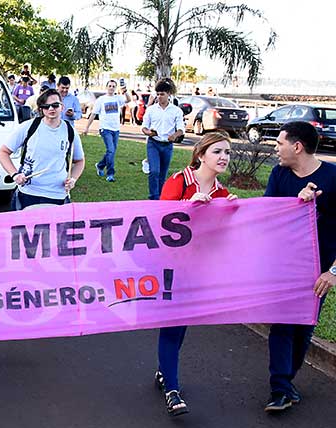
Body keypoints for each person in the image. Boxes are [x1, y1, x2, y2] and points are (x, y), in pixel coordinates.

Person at [152, 132, 238, 417]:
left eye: (227, 152)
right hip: (171, 266)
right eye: (217, 151)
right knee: (173, 323)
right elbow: (158, 220)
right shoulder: (179, 180)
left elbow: (220, 237)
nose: (224, 157)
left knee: (182, 324)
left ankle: (165, 371)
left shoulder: (223, 194)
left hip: (199, 269)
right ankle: (172, 390)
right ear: (201, 155)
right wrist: (188, 208)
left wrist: (231, 214)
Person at [262, 121, 336, 413]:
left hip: (319, 270)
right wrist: (298, 203)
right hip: (283, 265)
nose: (276, 149)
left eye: (279, 143)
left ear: (297, 146)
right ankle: (279, 388)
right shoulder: (279, 174)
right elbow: (266, 216)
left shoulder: (333, 176)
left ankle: (286, 381)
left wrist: (332, 273)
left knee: (303, 327)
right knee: (281, 324)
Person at [0, 89, 85, 210]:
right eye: (46, 106)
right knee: (23, 229)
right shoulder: (28, 127)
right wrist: (15, 174)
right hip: (28, 193)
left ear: (62, 106)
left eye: (55, 105)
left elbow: (79, 161)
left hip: (57, 195)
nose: (51, 109)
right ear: (41, 109)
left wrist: (73, 179)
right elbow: (3, 152)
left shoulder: (70, 131)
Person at [141, 80, 185, 200]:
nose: (159, 97)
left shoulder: (176, 111)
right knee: (154, 171)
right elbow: (144, 127)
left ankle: (161, 197)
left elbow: (181, 129)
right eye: (158, 94)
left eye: (162, 94)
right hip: (153, 143)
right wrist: (149, 132)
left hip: (167, 145)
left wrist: (175, 135)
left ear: (169, 94)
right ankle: (153, 197)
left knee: (162, 174)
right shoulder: (151, 110)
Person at [84, 80, 127, 182]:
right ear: (106, 87)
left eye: (113, 86)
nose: (111, 88)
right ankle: (110, 174)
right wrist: (87, 127)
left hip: (116, 129)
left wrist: (125, 89)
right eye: (110, 86)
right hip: (105, 128)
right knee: (111, 150)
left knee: (111, 151)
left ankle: (100, 165)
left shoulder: (118, 98)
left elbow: (128, 99)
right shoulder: (101, 100)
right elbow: (93, 114)